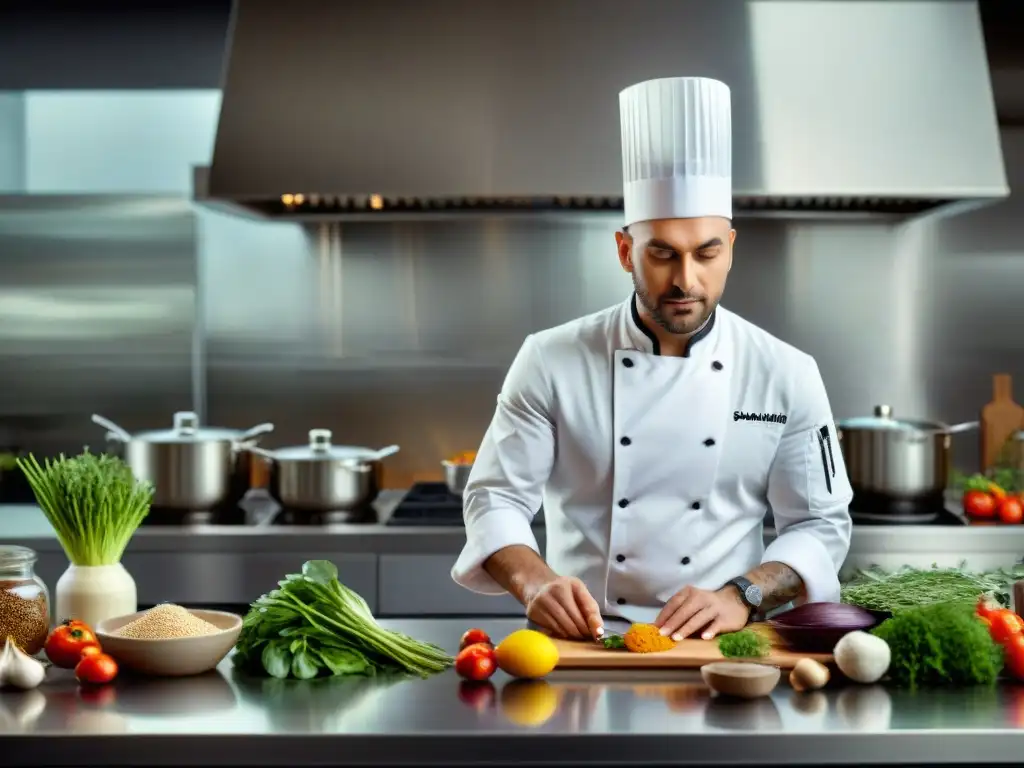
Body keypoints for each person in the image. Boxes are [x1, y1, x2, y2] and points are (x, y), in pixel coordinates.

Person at [451, 77, 853, 642]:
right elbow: (495, 496)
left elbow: (819, 523)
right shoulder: (550, 360)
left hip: (725, 648)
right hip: (583, 643)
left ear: (730, 249)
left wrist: (746, 595)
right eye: (662, 254)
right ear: (625, 251)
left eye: (707, 253)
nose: (686, 280)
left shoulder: (786, 372)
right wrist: (536, 583)